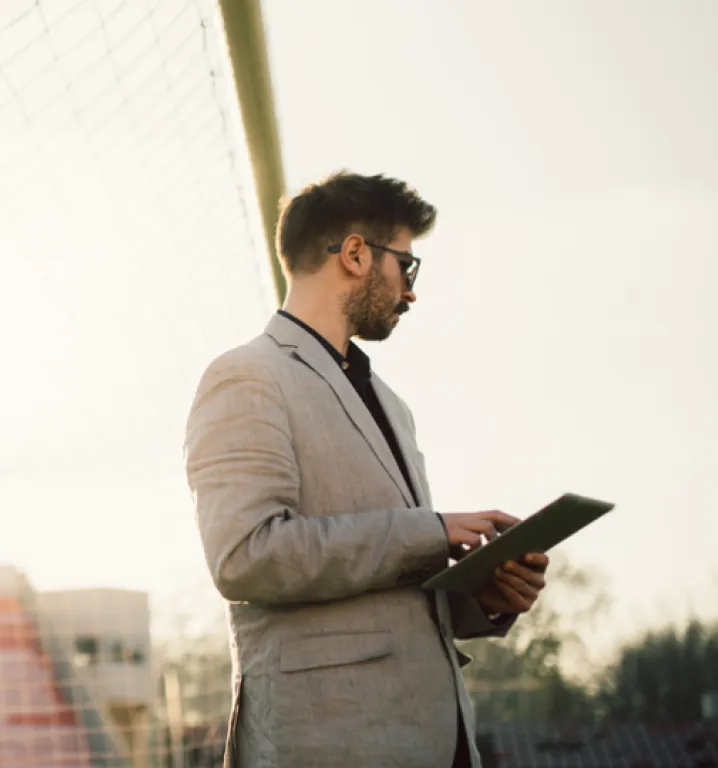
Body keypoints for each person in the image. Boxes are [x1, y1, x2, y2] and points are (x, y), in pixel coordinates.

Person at [184, 171, 550, 767]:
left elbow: (387, 590)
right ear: (355, 253)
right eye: (406, 267)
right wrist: (431, 532)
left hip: (431, 740)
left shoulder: (391, 402)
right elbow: (245, 557)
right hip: (325, 743)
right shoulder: (246, 375)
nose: (410, 292)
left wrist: (482, 594)